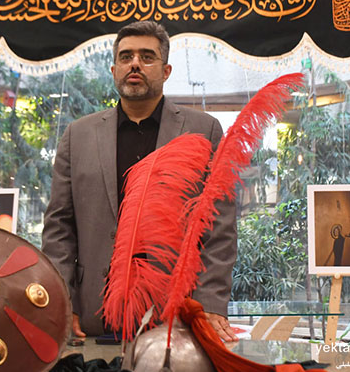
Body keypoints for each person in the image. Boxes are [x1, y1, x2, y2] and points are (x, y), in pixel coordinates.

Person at [42, 20, 238, 342]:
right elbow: (59, 228)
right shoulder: (78, 136)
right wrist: (63, 300)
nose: (135, 64)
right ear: (113, 70)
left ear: (166, 71)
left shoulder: (203, 130)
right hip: (92, 313)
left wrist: (210, 304)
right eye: (126, 57)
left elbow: (219, 229)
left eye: (147, 57)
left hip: (177, 314)